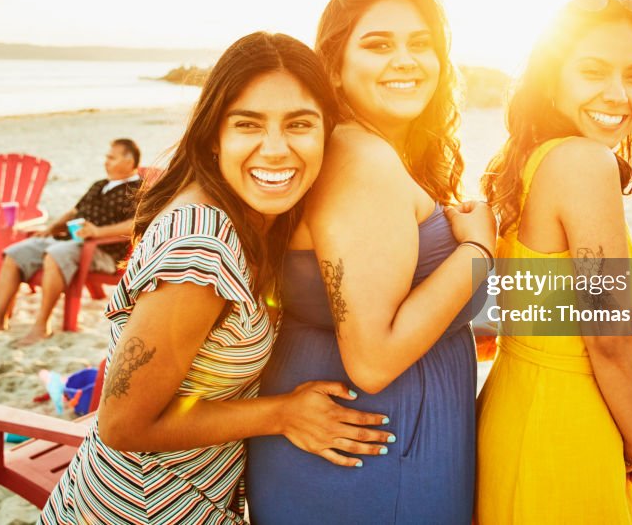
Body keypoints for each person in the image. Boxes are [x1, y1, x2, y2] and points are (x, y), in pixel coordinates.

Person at [40, 32, 394, 524]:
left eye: (299, 124)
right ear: (215, 136)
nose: (275, 150)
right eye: (248, 124)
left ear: (327, 132)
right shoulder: (201, 246)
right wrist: (283, 413)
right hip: (138, 510)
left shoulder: (259, 217)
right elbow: (122, 424)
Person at [246, 0, 494, 524]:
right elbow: (374, 360)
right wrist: (478, 253)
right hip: (374, 461)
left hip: (376, 452)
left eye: (420, 44)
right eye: (379, 44)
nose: (404, 60)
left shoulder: (363, 152)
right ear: (334, 65)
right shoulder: (362, 159)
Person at [477, 0, 632, 524]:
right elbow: (607, 337)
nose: (619, 94)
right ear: (552, 78)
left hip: (513, 409)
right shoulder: (585, 163)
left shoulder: (532, 162)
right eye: (593, 71)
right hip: (563, 425)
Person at [0, 138, 144, 345]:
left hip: (102, 250)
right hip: (68, 240)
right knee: (14, 253)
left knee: (54, 256)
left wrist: (98, 231)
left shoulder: (138, 188)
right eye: (106, 157)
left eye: (111, 158)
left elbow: (135, 224)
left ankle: (42, 326)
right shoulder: (100, 185)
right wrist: (51, 228)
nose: (106, 161)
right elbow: (74, 211)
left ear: (130, 162)